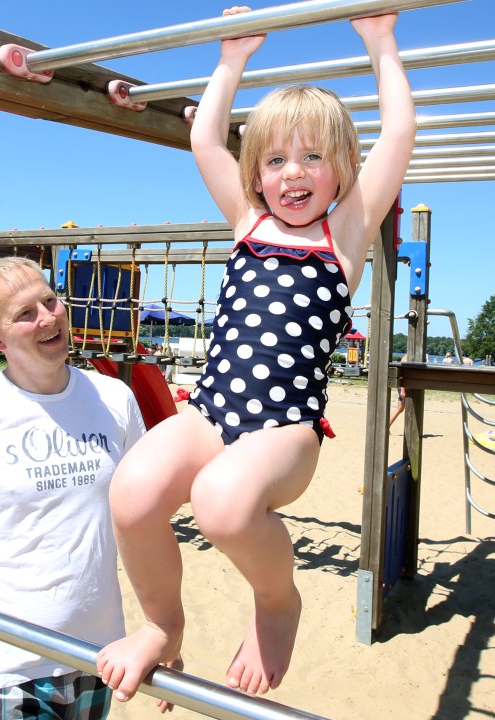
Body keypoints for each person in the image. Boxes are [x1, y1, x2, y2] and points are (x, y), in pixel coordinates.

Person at [96, 7, 415, 701]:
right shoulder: (248, 223)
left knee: (223, 503)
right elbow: (205, 138)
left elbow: (399, 134)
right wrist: (231, 59)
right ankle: (161, 624)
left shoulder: (346, 235)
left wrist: (380, 43)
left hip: (285, 430)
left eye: (312, 158)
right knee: (131, 489)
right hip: (210, 413)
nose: (292, 173)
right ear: (256, 174)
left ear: (342, 171)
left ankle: (277, 602)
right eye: (275, 160)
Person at [0, 257, 165, 720]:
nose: (48, 318)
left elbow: (144, 527)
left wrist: (161, 629)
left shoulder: (114, 399)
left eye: (50, 301)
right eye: (25, 313)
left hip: (96, 656)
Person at [387, 352, 411, 430]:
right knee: (402, 408)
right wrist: (403, 390)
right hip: (403, 387)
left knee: (400, 408)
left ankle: (387, 426)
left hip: (404, 387)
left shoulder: (408, 358)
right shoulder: (405, 359)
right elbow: (402, 376)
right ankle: (387, 426)